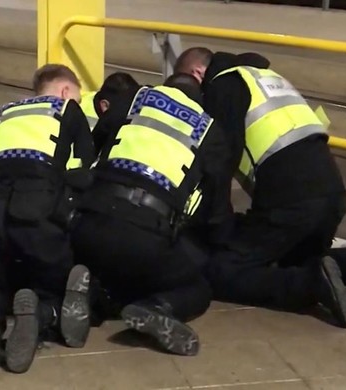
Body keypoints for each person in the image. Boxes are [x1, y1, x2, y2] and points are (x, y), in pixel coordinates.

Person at [174, 48, 346, 328]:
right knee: (285, 258)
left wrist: (214, 228)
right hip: (332, 197)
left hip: (292, 204)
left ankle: (312, 286)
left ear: (197, 74)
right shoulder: (264, 78)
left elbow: (219, 166)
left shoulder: (221, 88)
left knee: (222, 270)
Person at [71, 73, 232, 356]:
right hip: (146, 233)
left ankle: (81, 297)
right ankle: (158, 307)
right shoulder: (209, 128)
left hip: (89, 222)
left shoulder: (135, 100)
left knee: (108, 267)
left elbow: (92, 147)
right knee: (197, 286)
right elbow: (215, 209)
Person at [0, 64, 96, 373]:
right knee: (51, 282)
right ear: (66, 91)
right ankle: (39, 313)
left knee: (0, 276)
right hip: (35, 210)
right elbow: (82, 174)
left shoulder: (5, 113)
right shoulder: (68, 110)